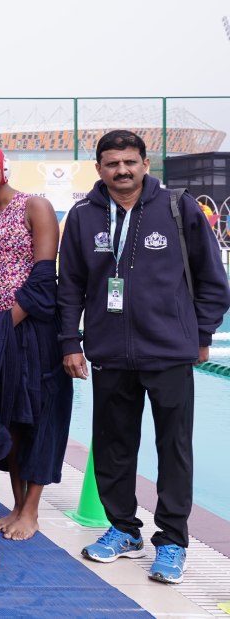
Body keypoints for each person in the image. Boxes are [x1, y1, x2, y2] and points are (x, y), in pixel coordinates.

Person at [59, 130, 230, 584]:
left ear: (145, 163)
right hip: (110, 351)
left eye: (130, 162)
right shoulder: (83, 216)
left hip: (168, 351)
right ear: (99, 168)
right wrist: (70, 342)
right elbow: (70, 285)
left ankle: (172, 540)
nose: (122, 170)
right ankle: (123, 529)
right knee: (113, 446)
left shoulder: (178, 208)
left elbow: (213, 280)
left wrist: (201, 333)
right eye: (112, 163)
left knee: (173, 448)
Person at [0, 141, 71, 542]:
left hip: (33, 324)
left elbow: (44, 275)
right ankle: (16, 503)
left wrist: (6, 322)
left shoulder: (35, 206)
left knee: (41, 413)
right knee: (7, 414)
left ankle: (31, 510)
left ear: (3, 166)